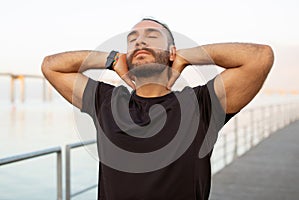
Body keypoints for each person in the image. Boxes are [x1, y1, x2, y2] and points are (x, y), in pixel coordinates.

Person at [41, 18, 274, 200]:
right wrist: (111, 59)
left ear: (171, 51)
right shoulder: (106, 101)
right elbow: (51, 66)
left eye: (152, 36)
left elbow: (260, 58)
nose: (140, 42)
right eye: (132, 39)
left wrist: (187, 56)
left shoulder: (201, 104)